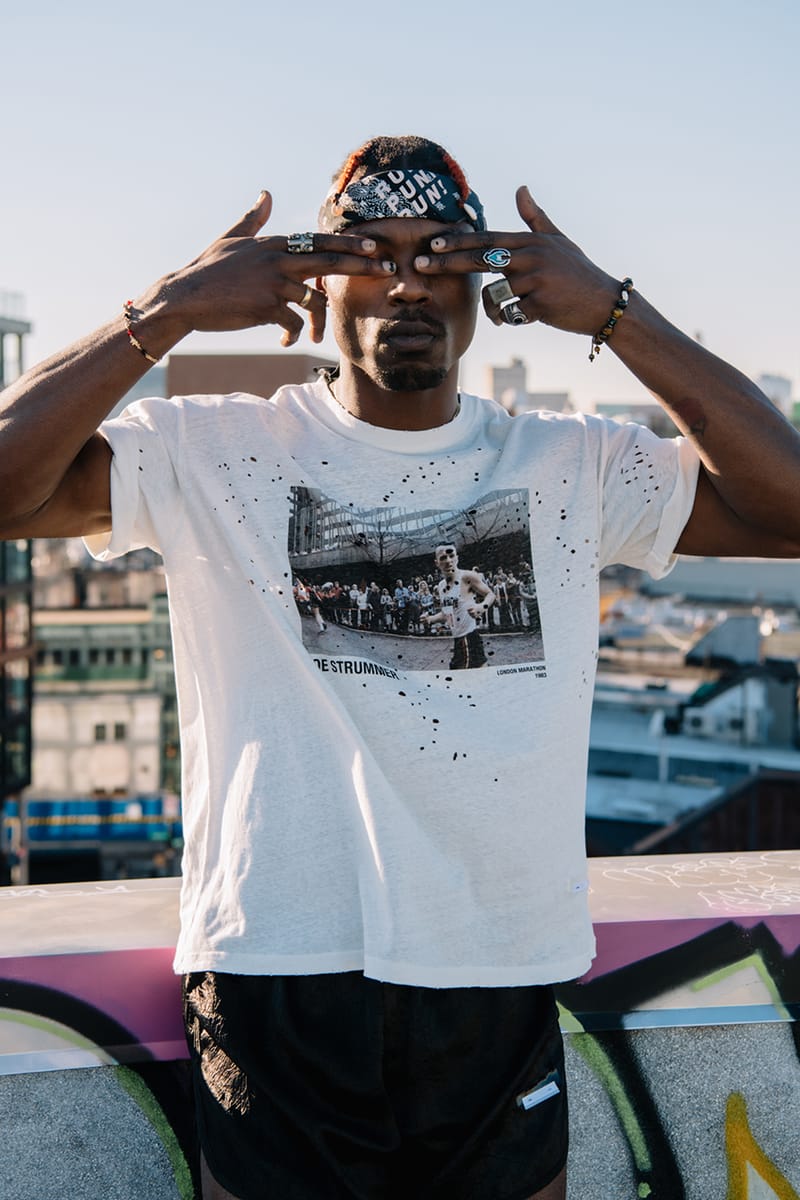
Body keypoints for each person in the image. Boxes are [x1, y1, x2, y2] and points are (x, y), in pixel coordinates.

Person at [1, 133, 799, 1200]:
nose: (404, 281)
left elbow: (787, 510)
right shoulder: (211, 449)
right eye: (368, 252)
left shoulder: (568, 463)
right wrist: (167, 309)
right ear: (314, 283)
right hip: (277, 966)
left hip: (495, 969)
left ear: (486, 289)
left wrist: (615, 312)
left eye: (438, 254)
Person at [422, 543, 495, 668]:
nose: (448, 561)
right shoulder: (441, 586)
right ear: (437, 563)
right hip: (458, 640)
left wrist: (480, 607)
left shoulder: (467, 577)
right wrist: (430, 619)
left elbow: (490, 594)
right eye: (443, 558)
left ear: (457, 558)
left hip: (469, 637)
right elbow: (447, 614)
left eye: (451, 556)